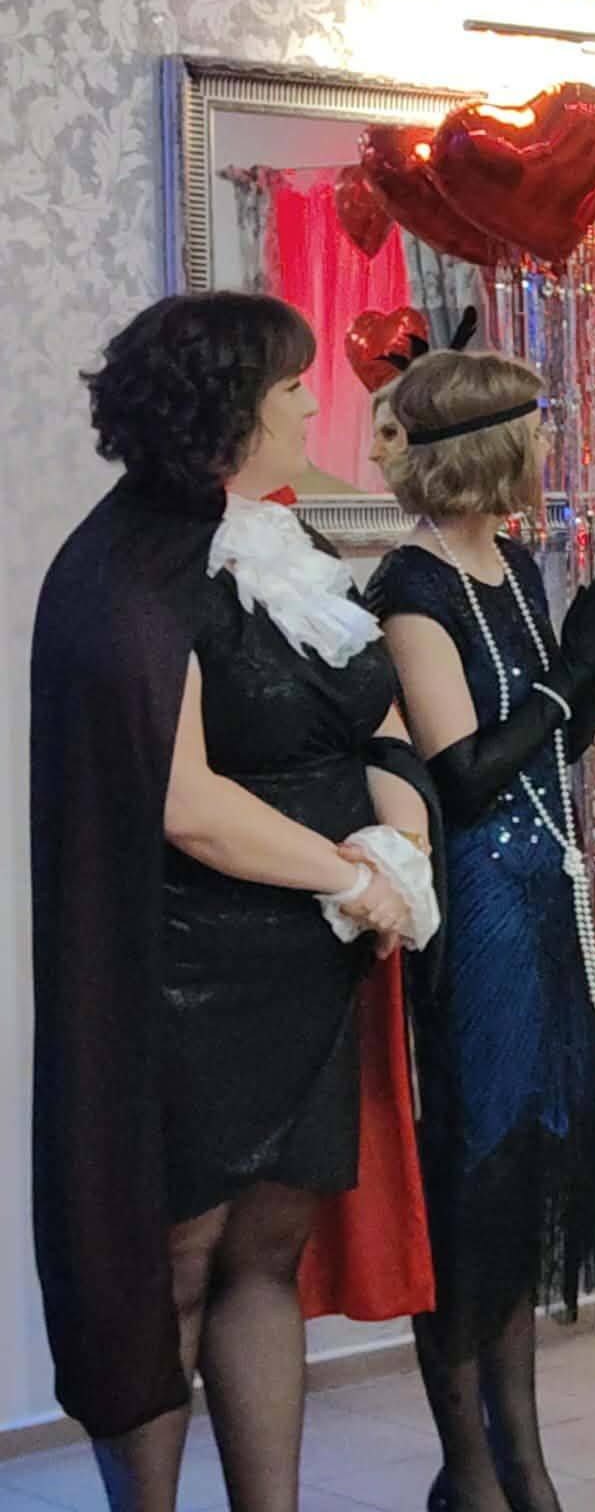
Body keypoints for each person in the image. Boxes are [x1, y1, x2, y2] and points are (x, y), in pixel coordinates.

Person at [31, 291, 436, 1511]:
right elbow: (186, 803)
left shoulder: (280, 539)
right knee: (173, 1264)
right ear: (225, 412)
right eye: (290, 384)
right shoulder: (127, 573)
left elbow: (372, 712)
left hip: (305, 966)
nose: (314, 402)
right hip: (185, 974)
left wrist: (399, 842)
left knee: (270, 1248)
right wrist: (353, 877)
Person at [367, 349, 595, 1512]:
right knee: (475, 1186)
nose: (549, 444)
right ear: (495, 445)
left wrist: (594, 652)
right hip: (482, 914)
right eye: (538, 428)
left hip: (546, 901)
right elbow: (463, 774)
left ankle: (522, 1465)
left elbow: (556, 743)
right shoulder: (413, 584)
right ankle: (471, 1473)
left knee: (521, 1186)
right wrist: (571, 666)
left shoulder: (507, 563)